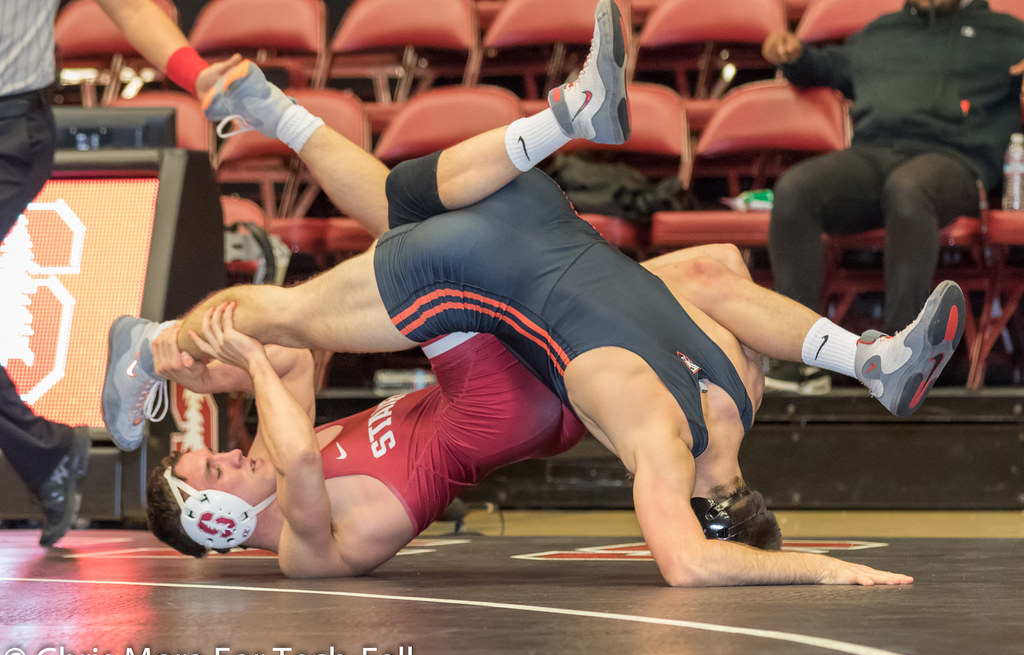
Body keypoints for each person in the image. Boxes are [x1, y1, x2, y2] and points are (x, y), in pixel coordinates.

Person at [112, 0, 963, 586]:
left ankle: (561, 119)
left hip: (510, 336)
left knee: (381, 230)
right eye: (219, 466)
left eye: (212, 454)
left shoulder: (729, 399)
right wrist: (815, 565)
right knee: (291, 298)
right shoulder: (692, 423)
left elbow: (294, 408)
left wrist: (255, 359)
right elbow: (695, 559)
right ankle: (152, 345)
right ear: (221, 520)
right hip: (499, 359)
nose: (231, 453)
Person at [0, 0, 241, 546]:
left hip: (9, 128)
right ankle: (48, 454)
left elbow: (131, 7)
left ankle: (48, 454)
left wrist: (197, 74)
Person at [759, 0, 1024, 394]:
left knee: (909, 189)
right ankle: (799, 357)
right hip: (873, 154)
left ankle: (898, 358)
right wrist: (792, 54)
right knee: (797, 189)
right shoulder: (880, 32)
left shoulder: (1007, 34)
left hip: (956, 160)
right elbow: (825, 67)